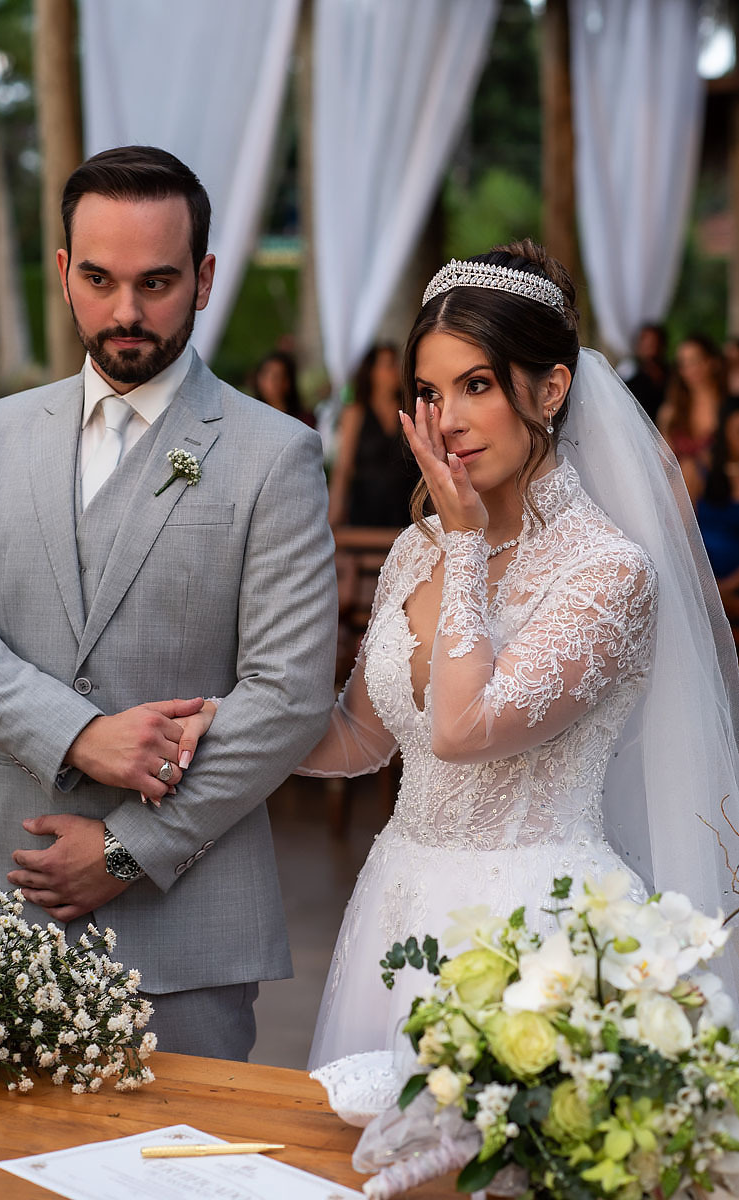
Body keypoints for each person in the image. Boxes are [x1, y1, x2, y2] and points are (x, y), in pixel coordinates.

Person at [184, 240, 739, 1067]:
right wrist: (226, 723)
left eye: (475, 385)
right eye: (428, 392)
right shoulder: (417, 550)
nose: (444, 420)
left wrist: (470, 546)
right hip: (396, 908)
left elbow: (461, 726)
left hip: (540, 937)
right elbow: (365, 740)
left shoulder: (609, 571)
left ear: (550, 389)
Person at [0, 146, 338, 1060]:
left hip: (188, 922)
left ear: (202, 278)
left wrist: (125, 852)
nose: (126, 311)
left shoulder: (273, 455)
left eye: (156, 282)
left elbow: (287, 695)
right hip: (2, 907)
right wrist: (79, 735)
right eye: (100, 278)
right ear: (63, 274)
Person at [327, 342, 419, 529]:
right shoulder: (355, 412)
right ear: (372, 372)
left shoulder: (411, 411)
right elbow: (344, 467)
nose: (396, 369)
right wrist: (332, 518)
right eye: (389, 364)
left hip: (406, 512)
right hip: (366, 511)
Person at [657, 333, 726, 501]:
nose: (689, 369)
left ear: (712, 362)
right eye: (683, 364)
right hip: (680, 493)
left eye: (694, 361)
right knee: (687, 468)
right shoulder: (671, 411)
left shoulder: (727, 406)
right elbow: (662, 462)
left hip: (721, 489)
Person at [696, 398, 739, 642]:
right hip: (701, 579)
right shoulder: (700, 468)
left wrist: (727, 587)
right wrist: (708, 586)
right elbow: (681, 531)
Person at [253, 349, 314, 426]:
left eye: (277, 377)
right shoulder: (253, 419)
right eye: (266, 375)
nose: (271, 382)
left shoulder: (304, 421)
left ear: (288, 382)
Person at [624, 321, 669, 423]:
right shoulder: (630, 386)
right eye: (646, 345)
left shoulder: (676, 378)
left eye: (654, 343)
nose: (651, 350)